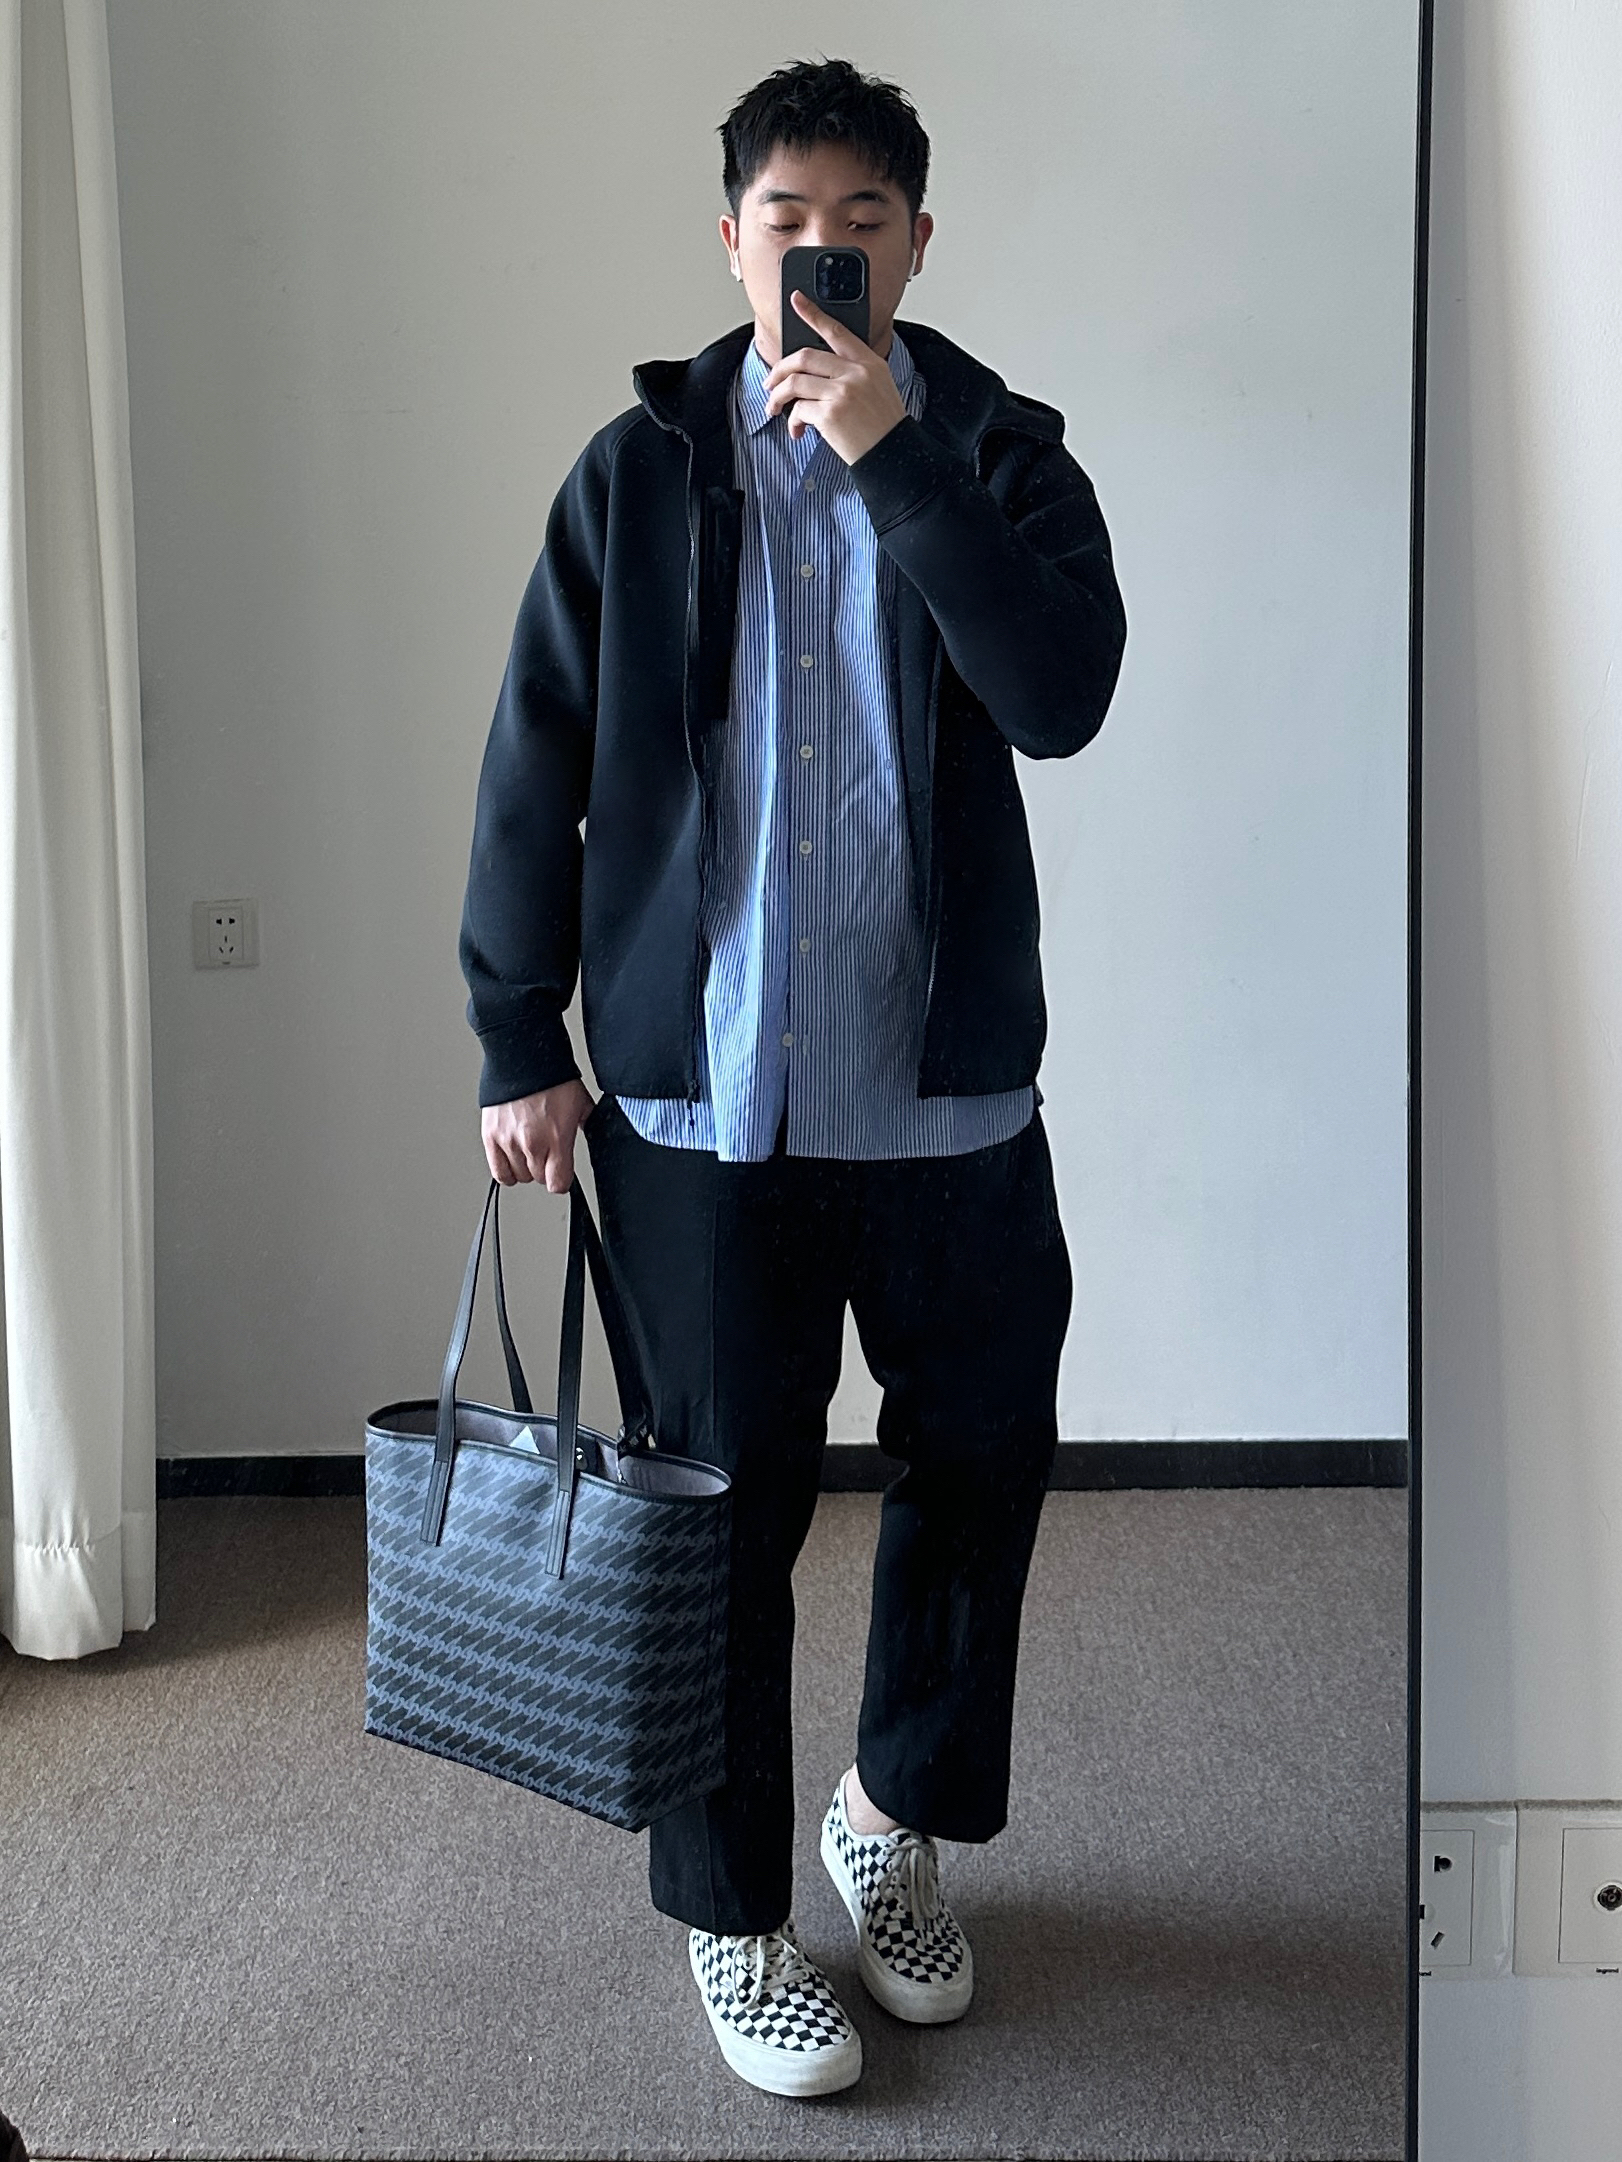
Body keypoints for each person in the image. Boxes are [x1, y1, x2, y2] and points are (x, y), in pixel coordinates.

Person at [459, 56, 1126, 2099]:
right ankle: (734, 1914)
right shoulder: (637, 472)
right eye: (784, 221)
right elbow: (534, 756)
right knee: (714, 1519)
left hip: (944, 1100)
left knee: (978, 1471)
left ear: (916, 244)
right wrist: (517, 1030)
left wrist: (894, 458)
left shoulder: (1000, 452)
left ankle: (887, 1824)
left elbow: (1060, 696)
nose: (819, 254)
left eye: (859, 224)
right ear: (730, 239)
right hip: (700, 1110)